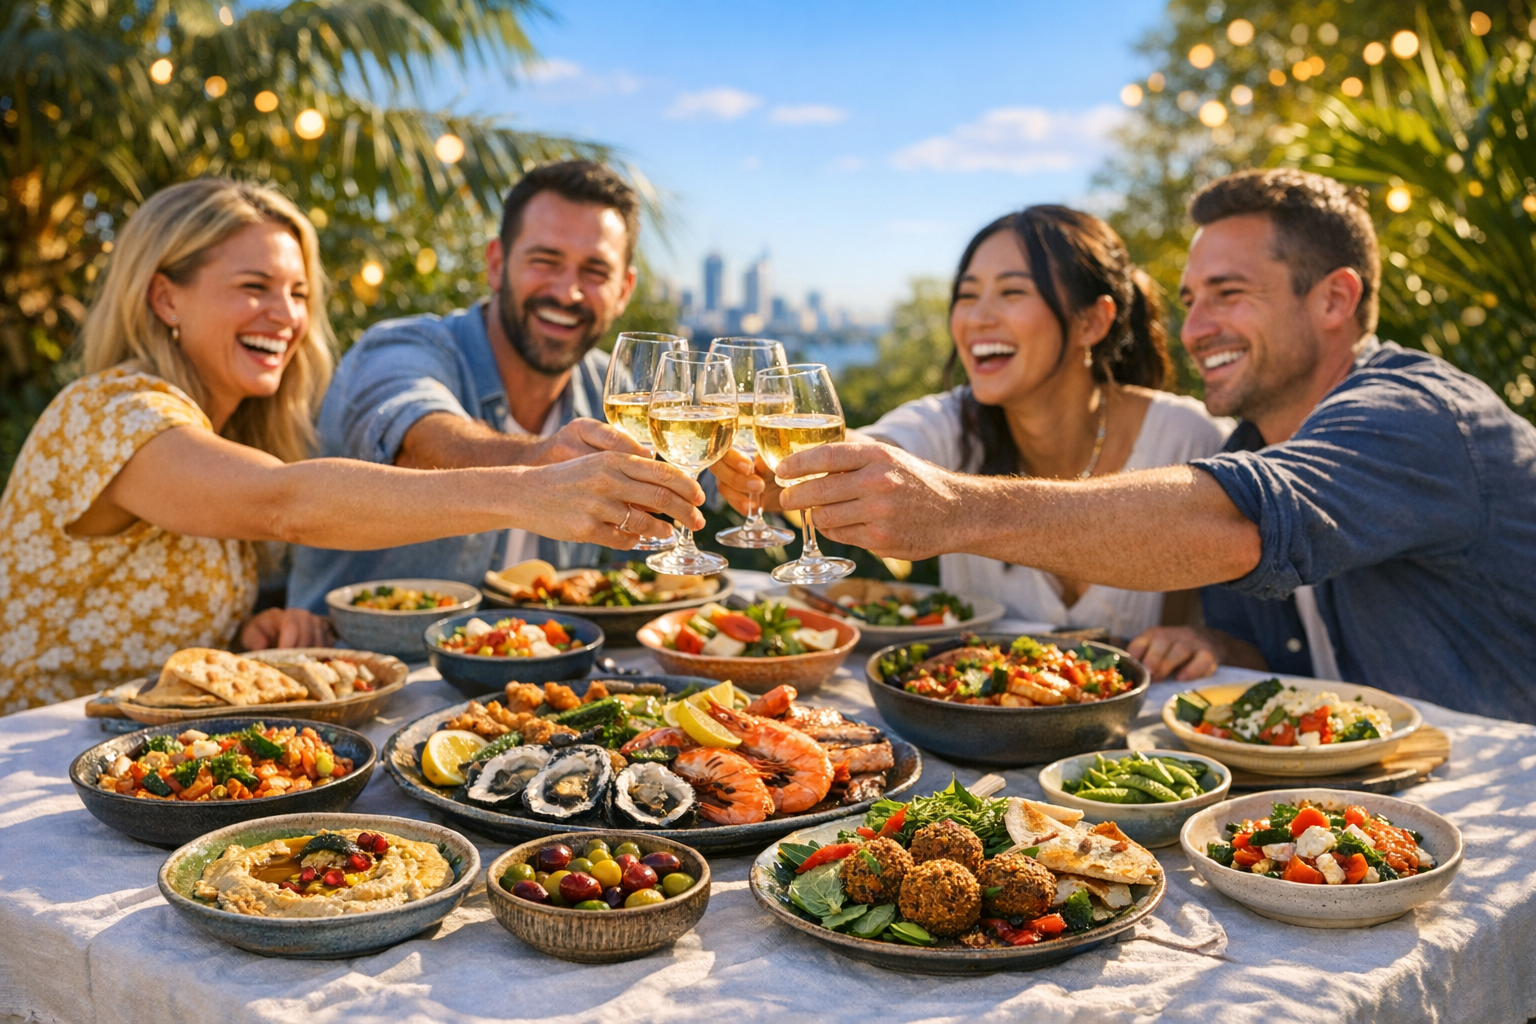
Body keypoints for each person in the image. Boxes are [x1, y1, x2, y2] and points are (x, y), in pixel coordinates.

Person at [762, 168, 1536, 724]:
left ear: (1336, 298)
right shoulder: (1249, 444)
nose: (1197, 329)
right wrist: (1216, 640)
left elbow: (1237, 528)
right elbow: (1301, 660)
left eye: (1230, 295)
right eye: (1193, 300)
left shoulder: (1415, 419)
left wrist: (954, 509)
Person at [0, 179, 702, 713]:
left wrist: (253, 629)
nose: (286, 316)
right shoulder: (108, 413)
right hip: (35, 761)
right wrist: (526, 489)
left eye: (299, 292)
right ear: (165, 299)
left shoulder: (222, 431)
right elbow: (286, 506)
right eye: (255, 288)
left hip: (147, 740)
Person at [716, 206, 1229, 638]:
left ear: (1091, 320)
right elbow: (869, 452)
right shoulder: (948, 423)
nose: (977, 318)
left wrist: (1207, 643)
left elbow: (1246, 619)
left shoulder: (1190, 437)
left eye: (1011, 293)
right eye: (966, 295)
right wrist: (785, 474)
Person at [288, 161, 653, 611]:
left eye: (595, 272)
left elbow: (706, 463)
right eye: (545, 261)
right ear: (497, 264)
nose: (567, 292)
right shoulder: (400, 348)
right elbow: (418, 443)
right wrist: (534, 464)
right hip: (359, 672)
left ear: (623, 290)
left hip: (544, 674)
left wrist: (755, 485)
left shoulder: (619, 388)